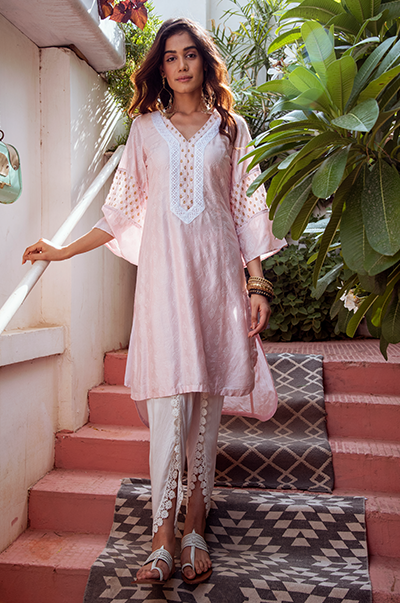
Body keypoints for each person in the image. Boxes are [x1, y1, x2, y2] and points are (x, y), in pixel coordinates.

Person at [22, 17, 285, 586]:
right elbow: (119, 214)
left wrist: (256, 284)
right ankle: (161, 534)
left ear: (203, 62)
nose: (181, 64)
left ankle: (195, 526)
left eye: (190, 54)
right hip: (164, 287)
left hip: (216, 283)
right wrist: (62, 251)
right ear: (160, 69)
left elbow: (248, 209)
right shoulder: (145, 131)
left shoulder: (231, 129)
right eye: (170, 57)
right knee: (167, 403)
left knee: (206, 406)